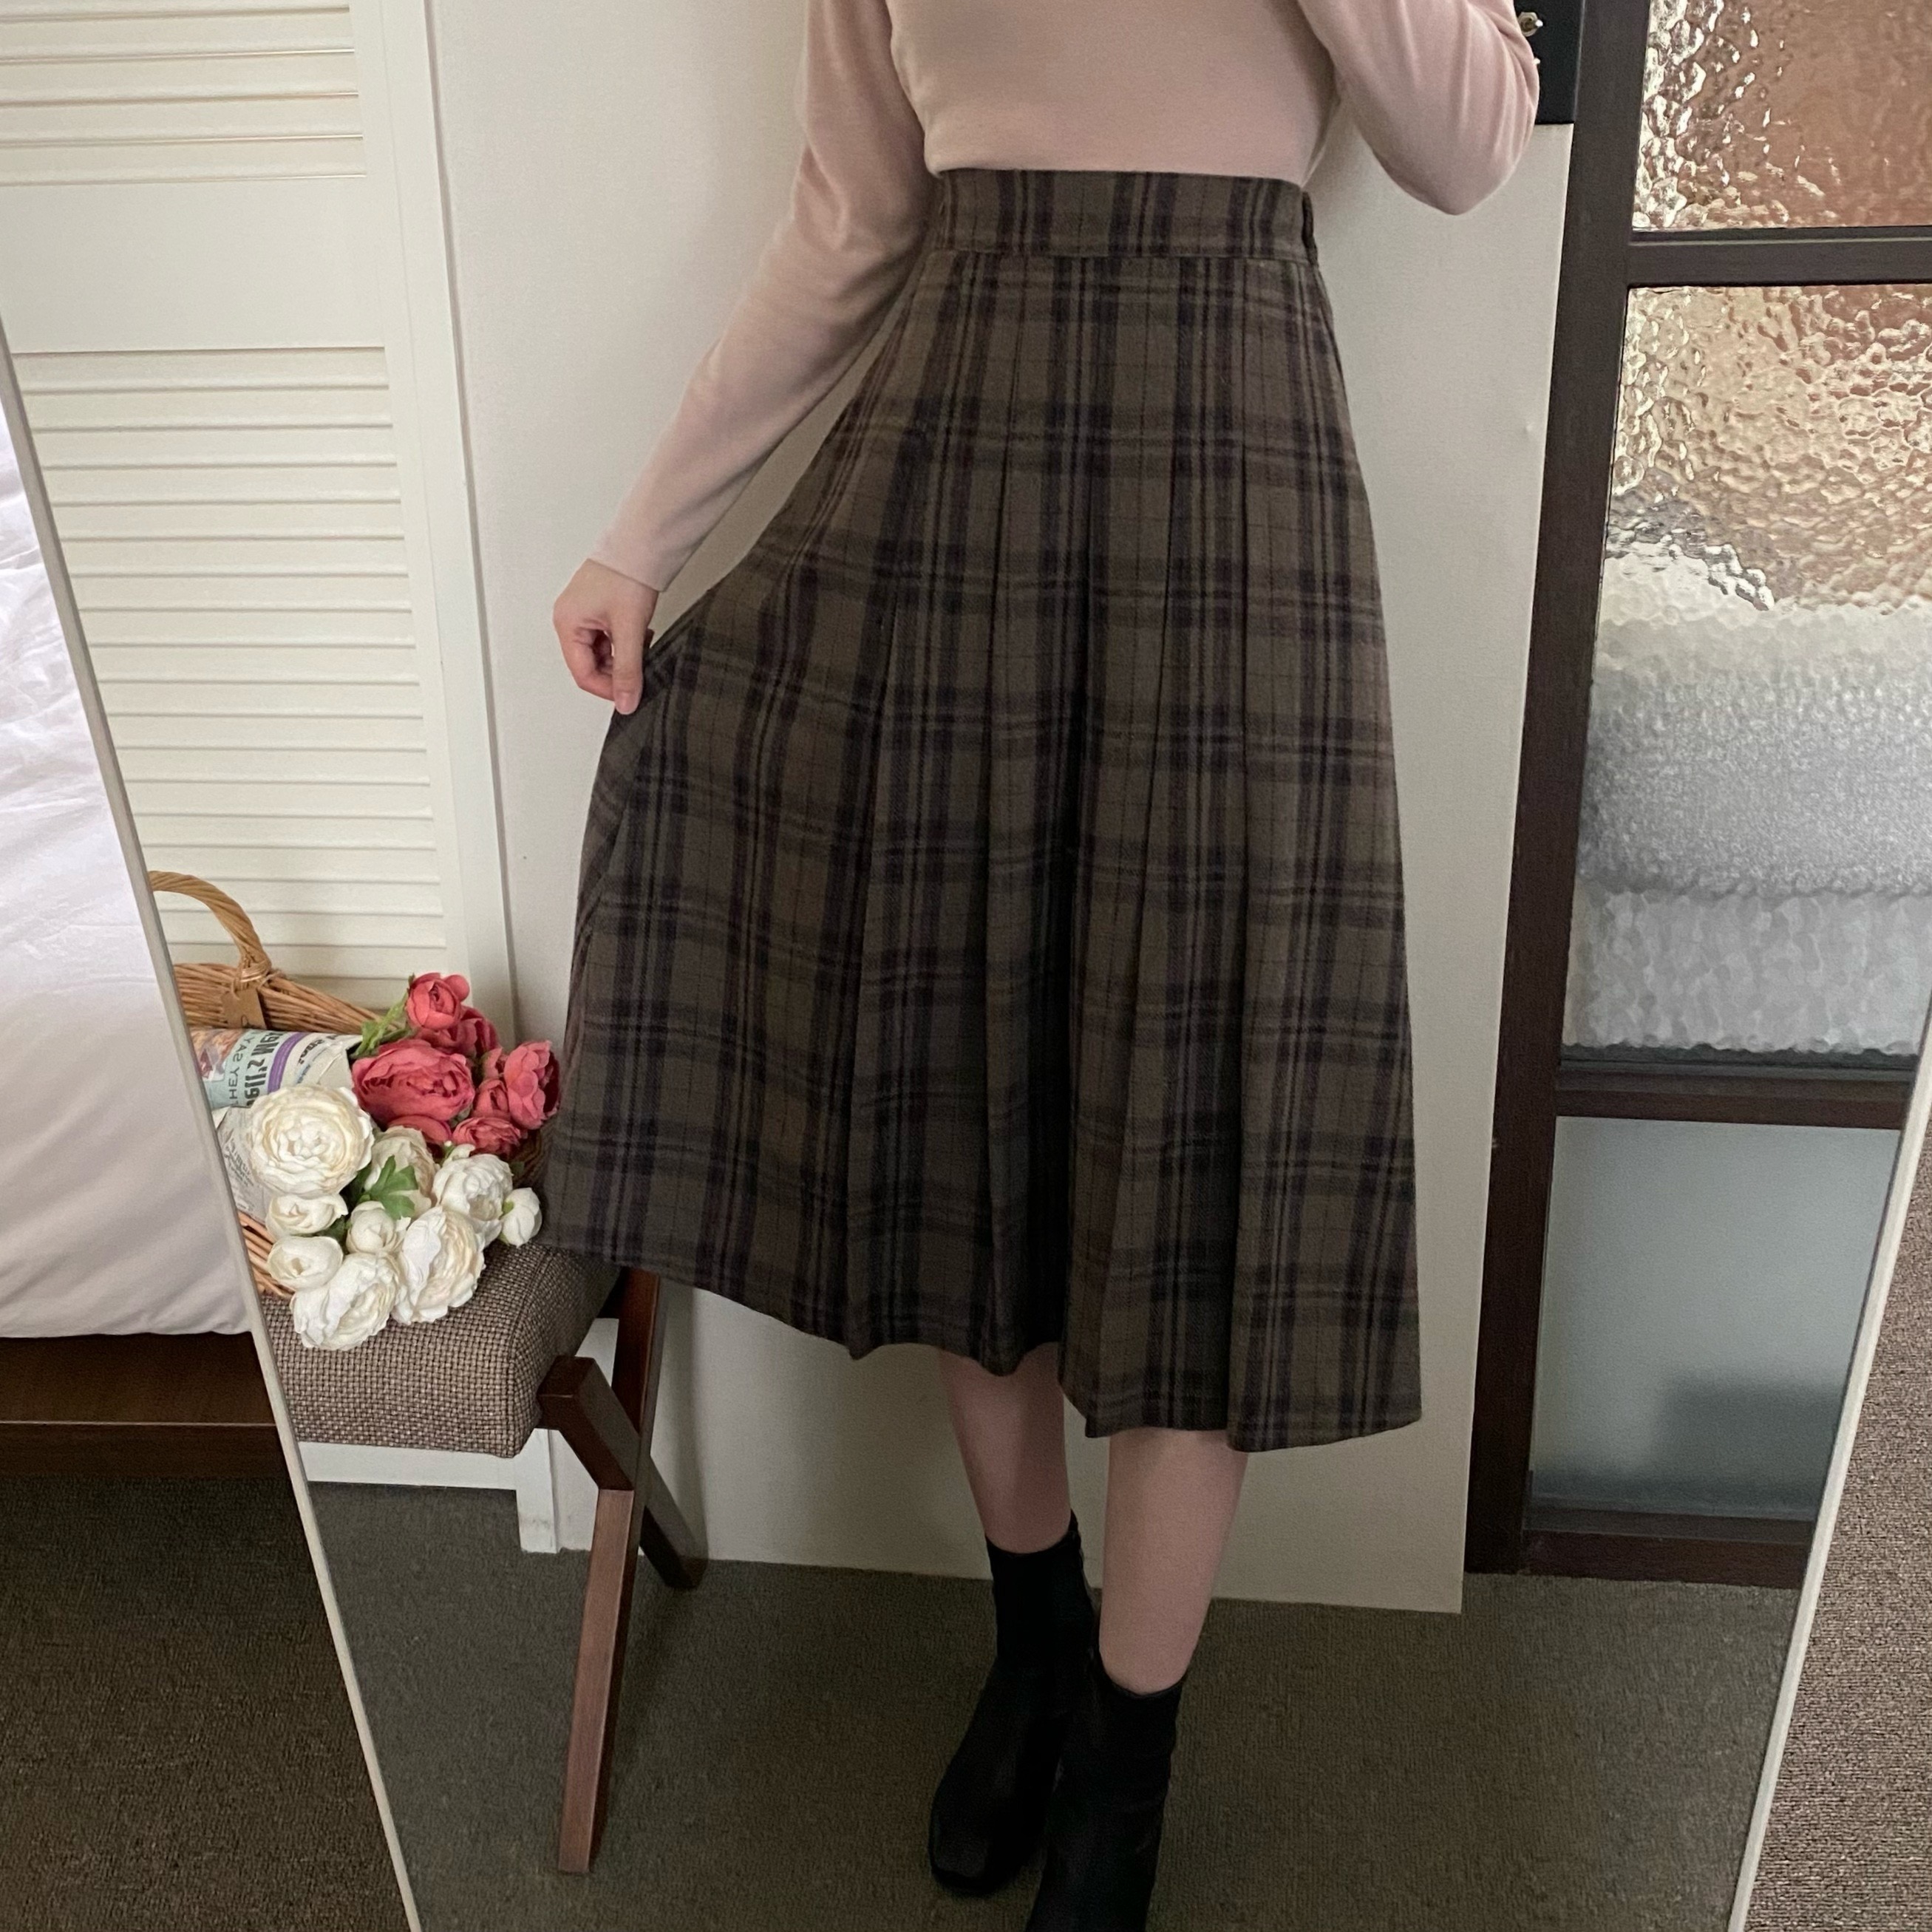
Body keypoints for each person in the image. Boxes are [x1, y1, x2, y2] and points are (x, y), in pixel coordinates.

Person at [545, 4, 1537, 1924]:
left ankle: (1125, 1768)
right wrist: (641, 536)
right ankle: (1034, 1641)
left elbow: (1466, 142)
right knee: (965, 1082)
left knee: (1203, 1134)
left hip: (1234, 482)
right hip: (958, 467)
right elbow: (852, 220)